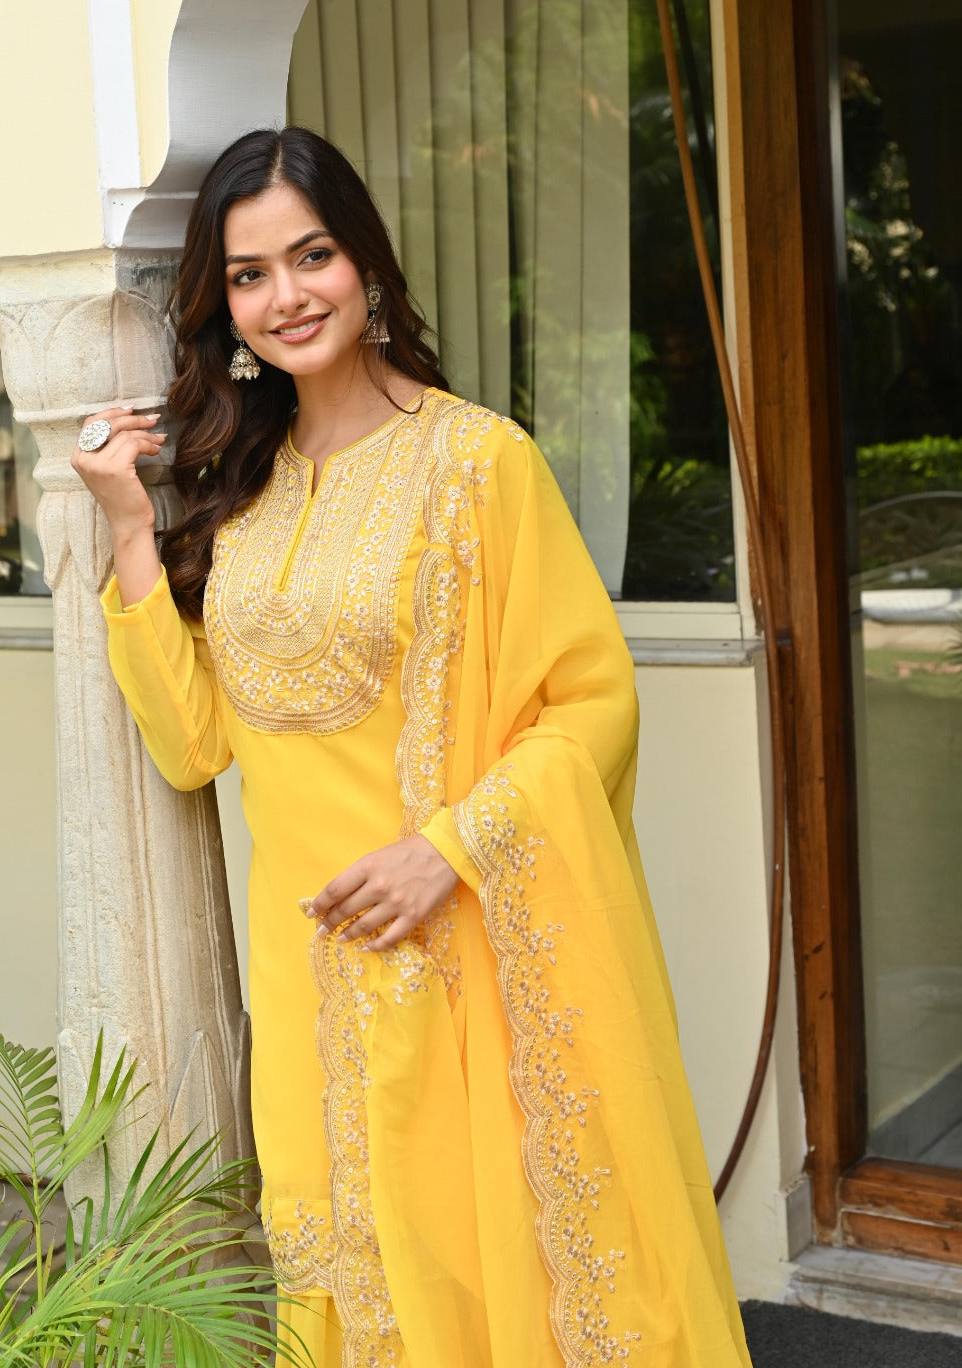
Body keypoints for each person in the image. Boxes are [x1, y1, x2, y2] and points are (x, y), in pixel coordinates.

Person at [72, 126, 752, 1368]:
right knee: (347, 1270)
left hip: (452, 953)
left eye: (312, 254)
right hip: (301, 972)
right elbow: (189, 745)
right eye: (248, 274)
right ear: (221, 303)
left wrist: (445, 850)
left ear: (366, 264)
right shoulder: (246, 484)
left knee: (483, 1273)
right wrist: (130, 525)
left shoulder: (477, 463)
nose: (287, 296)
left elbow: (589, 703)